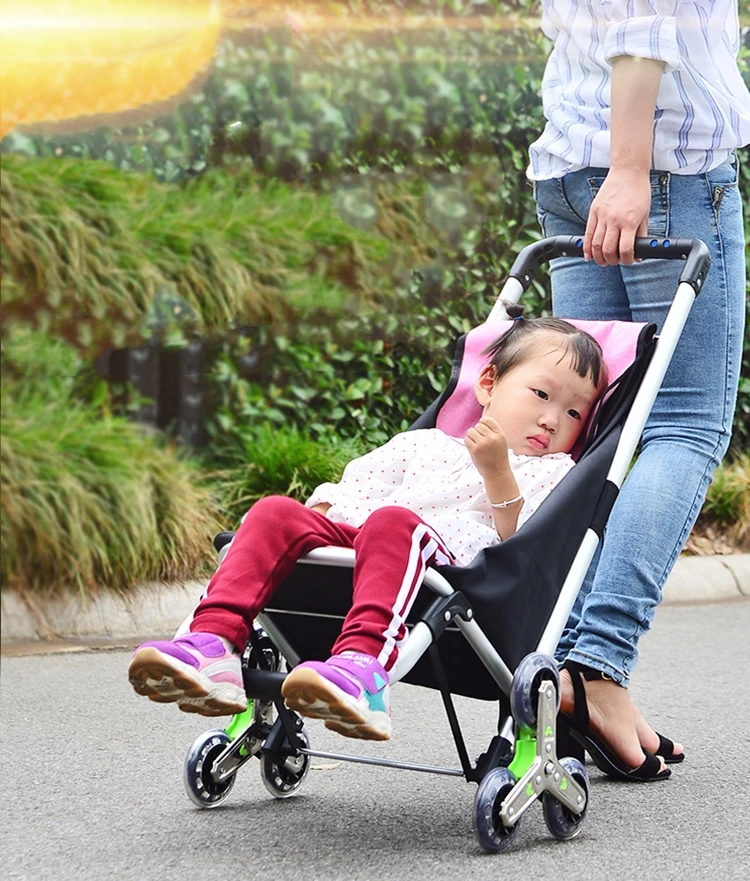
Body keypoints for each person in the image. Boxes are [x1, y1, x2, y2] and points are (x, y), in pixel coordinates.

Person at [128, 317, 607, 740]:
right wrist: (306, 523)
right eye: (541, 395)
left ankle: (363, 669)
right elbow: (351, 489)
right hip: (362, 546)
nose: (551, 420)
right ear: (487, 384)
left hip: (448, 569)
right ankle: (213, 643)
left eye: (574, 413)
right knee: (275, 511)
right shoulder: (425, 444)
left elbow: (523, 542)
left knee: (393, 522)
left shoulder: (552, 472)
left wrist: (498, 472)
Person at [528, 1, 750, 779]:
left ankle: (565, 671)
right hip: (656, 178)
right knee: (684, 426)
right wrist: (628, 172)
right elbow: (642, 29)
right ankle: (598, 668)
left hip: (573, 169)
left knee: (597, 429)